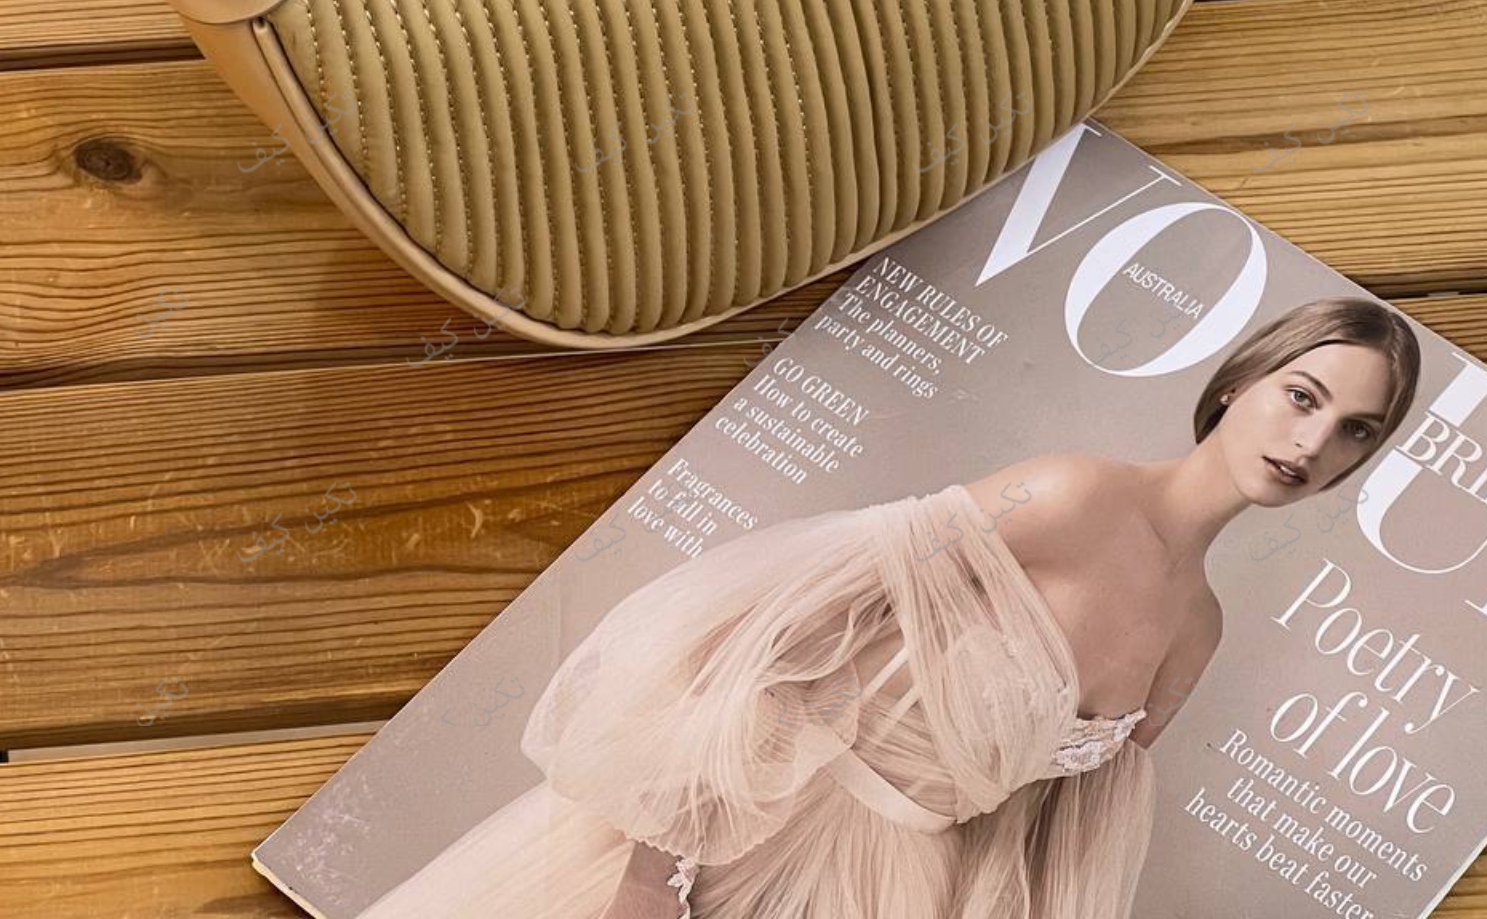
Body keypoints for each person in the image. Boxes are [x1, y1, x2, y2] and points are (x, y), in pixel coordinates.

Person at [358, 296, 1420, 919]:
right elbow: (777, 626)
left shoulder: (1198, 632)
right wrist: (651, 869)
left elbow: (1048, 843)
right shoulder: (1070, 495)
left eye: (1356, 431)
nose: (1312, 442)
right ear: (1239, 382)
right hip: (742, 843)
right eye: (1303, 395)